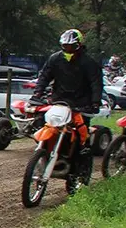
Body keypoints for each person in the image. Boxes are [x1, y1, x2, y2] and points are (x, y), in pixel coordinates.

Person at [31, 29, 103, 182]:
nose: (68, 49)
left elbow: (96, 83)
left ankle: (80, 170)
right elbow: (44, 76)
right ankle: (43, 154)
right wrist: (38, 94)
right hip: (59, 101)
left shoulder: (89, 63)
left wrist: (95, 102)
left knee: (81, 137)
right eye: (65, 46)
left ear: (79, 45)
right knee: (44, 123)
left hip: (81, 105)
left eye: (71, 46)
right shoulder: (55, 59)